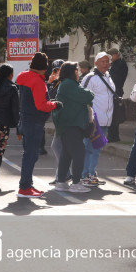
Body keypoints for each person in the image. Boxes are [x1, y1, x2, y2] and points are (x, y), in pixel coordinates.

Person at [15, 52, 60, 198]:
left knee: (28, 154)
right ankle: (24, 188)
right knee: (31, 156)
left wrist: (46, 83)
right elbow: (41, 105)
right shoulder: (38, 81)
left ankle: (27, 185)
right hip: (34, 122)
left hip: (24, 119)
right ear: (45, 67)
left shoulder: (22, 76)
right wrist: (55, 104)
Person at [53, 62, 95, 193]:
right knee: (78, 153)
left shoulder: (66, 84)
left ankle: (61, 182)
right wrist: (88, 93)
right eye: (77, 70)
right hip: (71, 124)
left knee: (66, 154)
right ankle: (76, 183)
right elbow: (88, 96)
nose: (78, 72)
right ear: (72, 72)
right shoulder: (69, 84)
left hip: (67, 124)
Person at [80, 52, 116, 186]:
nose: (106, 64)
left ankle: (91, 173)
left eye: (107, 61)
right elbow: (82, 96)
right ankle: (84, 175)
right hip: (93, 119)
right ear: (95, 63)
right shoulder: (90, 77)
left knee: (97, 148)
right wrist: (87, 117)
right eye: (103, 61)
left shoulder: (108, 76)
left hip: (106, 119)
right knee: (89, 147)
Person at [107, 47, 128, 143]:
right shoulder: (114, 64)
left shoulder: (120, 64)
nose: (110, 58)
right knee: (112, 114)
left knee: (114, 115)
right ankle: (112, 135)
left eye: (110, 56)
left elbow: (115, 79)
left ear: (116, 55)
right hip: (113, 92)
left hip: (116, 92)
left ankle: (113, 136)